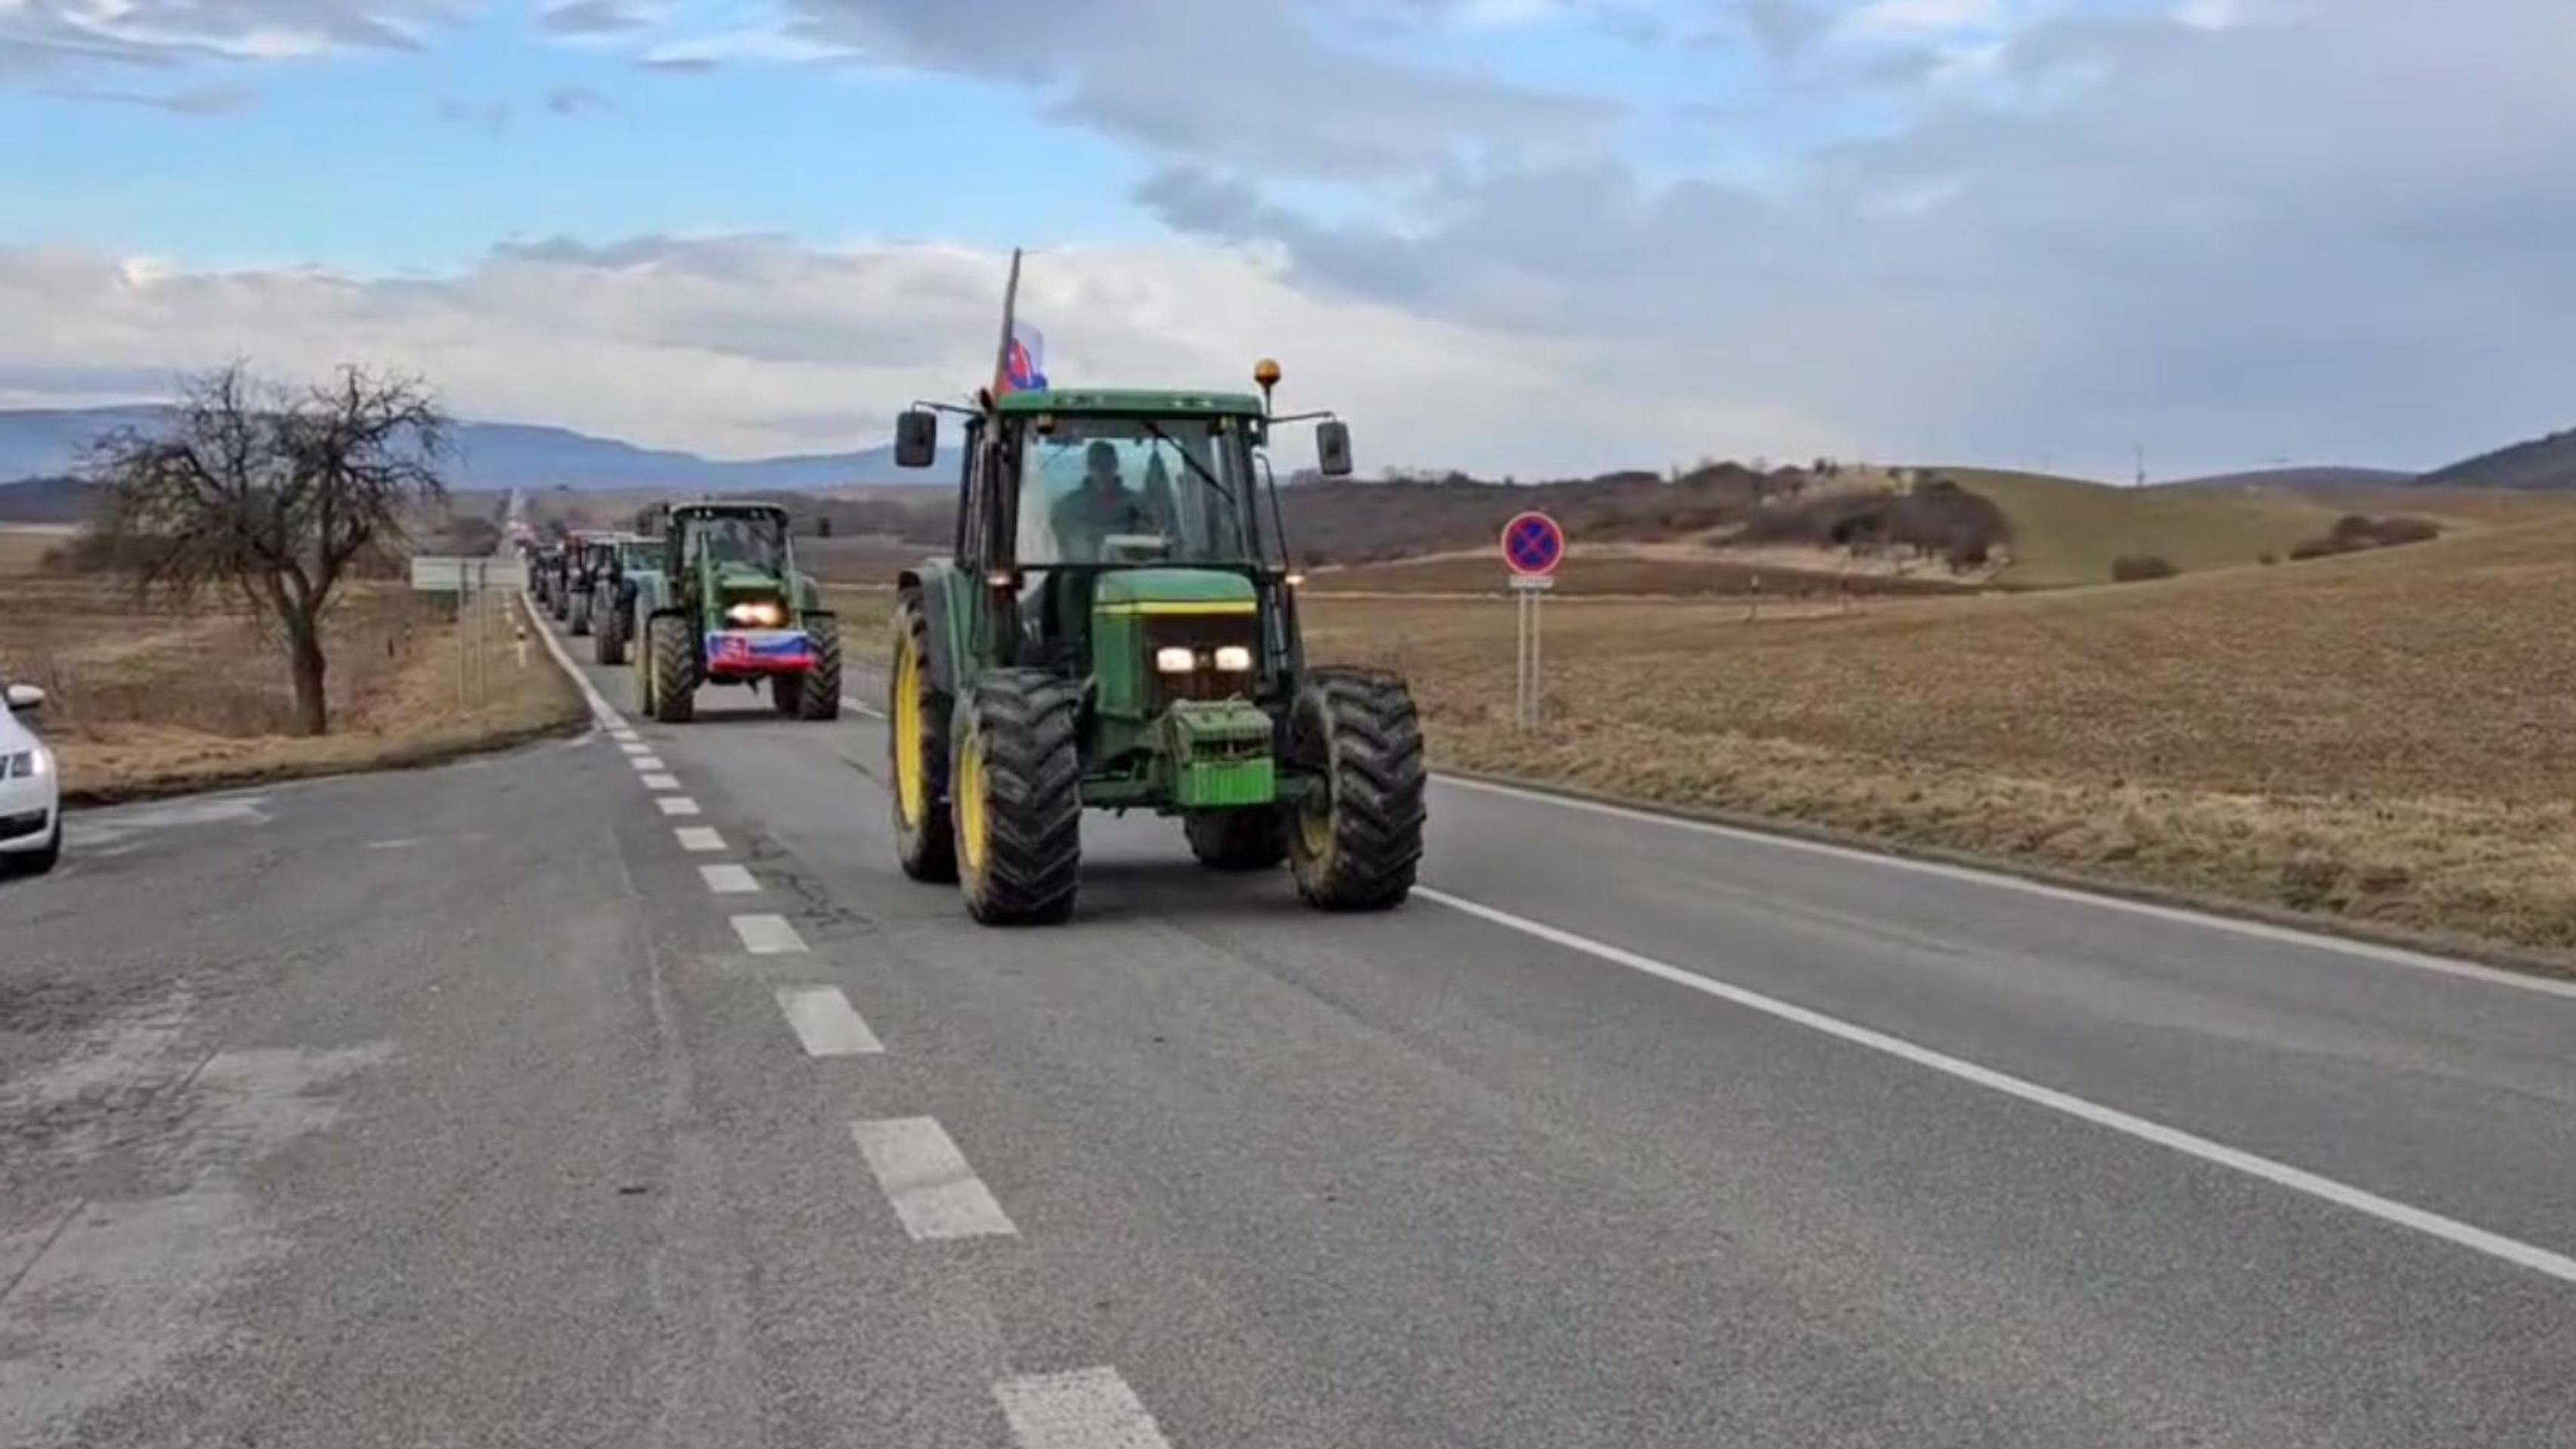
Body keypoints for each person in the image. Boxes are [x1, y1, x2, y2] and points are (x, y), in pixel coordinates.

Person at [1048, 439, 1161, 561]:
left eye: (1107, 464)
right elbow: (1059, 540)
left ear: (1116, 465)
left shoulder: (1138, 504)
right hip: (1081, 573)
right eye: (1095, 464)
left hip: (1127, 574)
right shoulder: (1067, 506)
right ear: (1088, 467)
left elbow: (1151, 541)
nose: (1102, 470)